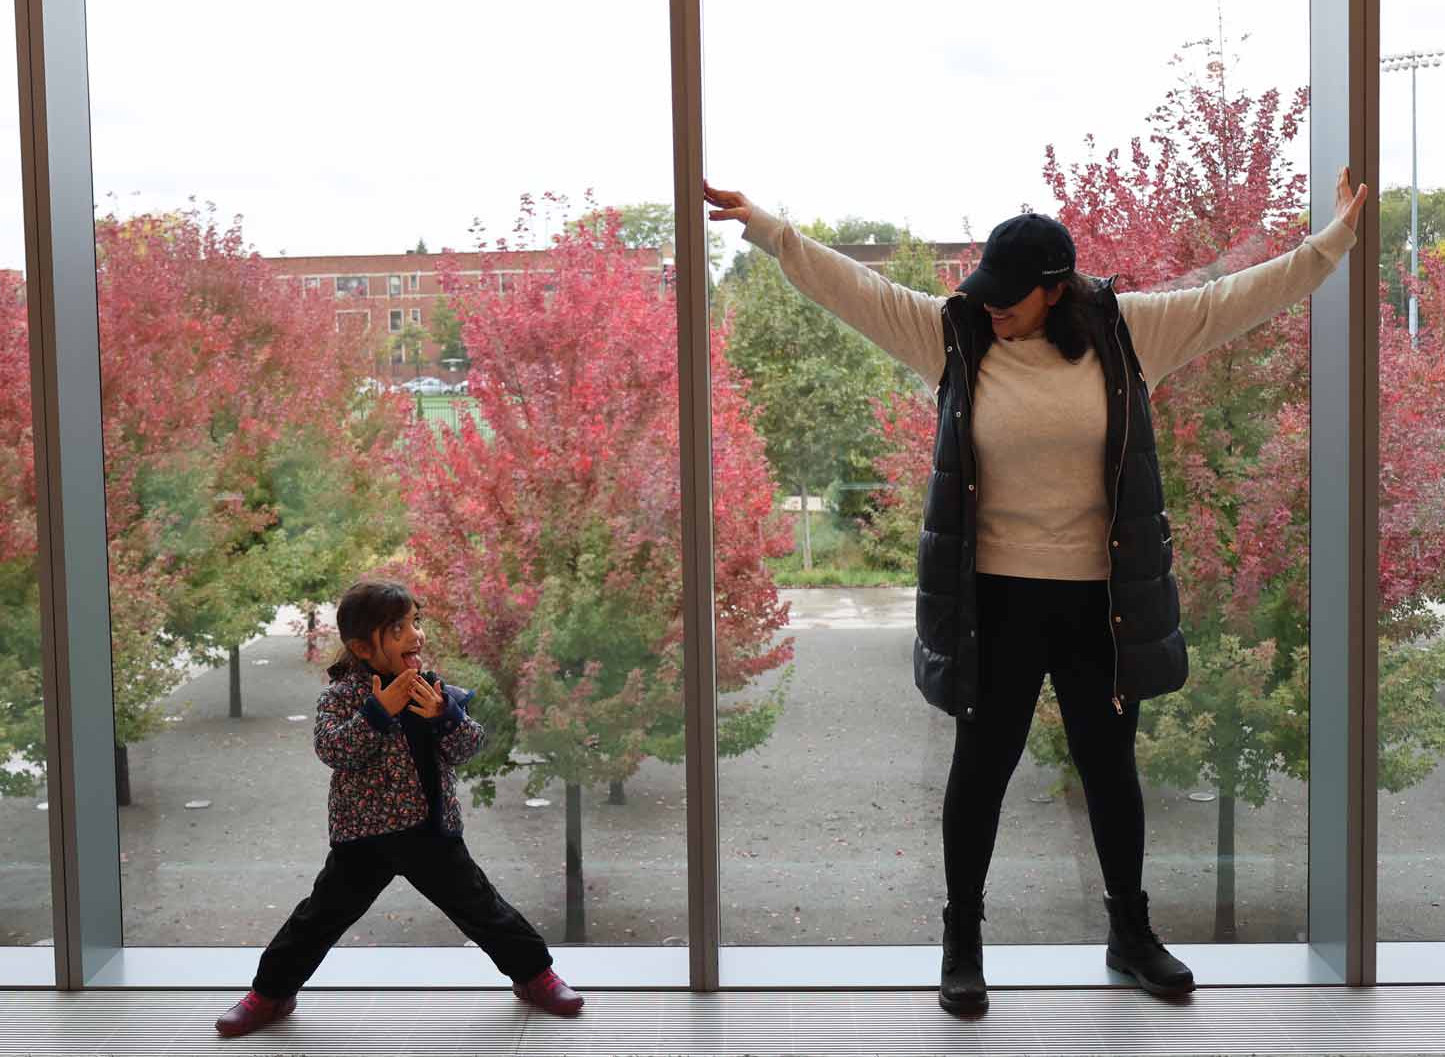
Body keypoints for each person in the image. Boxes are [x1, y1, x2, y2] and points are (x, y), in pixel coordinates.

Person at [705, 170, 1367, 1016]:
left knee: (1110, 769)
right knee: (980, 773)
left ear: (1057, 291)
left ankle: (1131, 935)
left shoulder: (1131, 334)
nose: (992, 307)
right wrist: (764, 225)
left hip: (1103, 601)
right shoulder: (954, 335)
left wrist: (1336, 238)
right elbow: (853, 288)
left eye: (1011, 297)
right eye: (985, 291)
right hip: (995, 601)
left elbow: (1244, 295)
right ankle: (963, 942)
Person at [215, 578, 585, 1038]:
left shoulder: (432, 690)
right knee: (319, 917)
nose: (416, 635)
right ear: (361, 647)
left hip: (430, 833)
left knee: (483, 908)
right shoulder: (342, 697)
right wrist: (378, 711)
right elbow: (334, 750)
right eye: (398, 628)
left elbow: (470, 747)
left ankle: (534, 976)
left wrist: (446, 718)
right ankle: (269, 993)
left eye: (416, 622)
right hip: (363, 838)